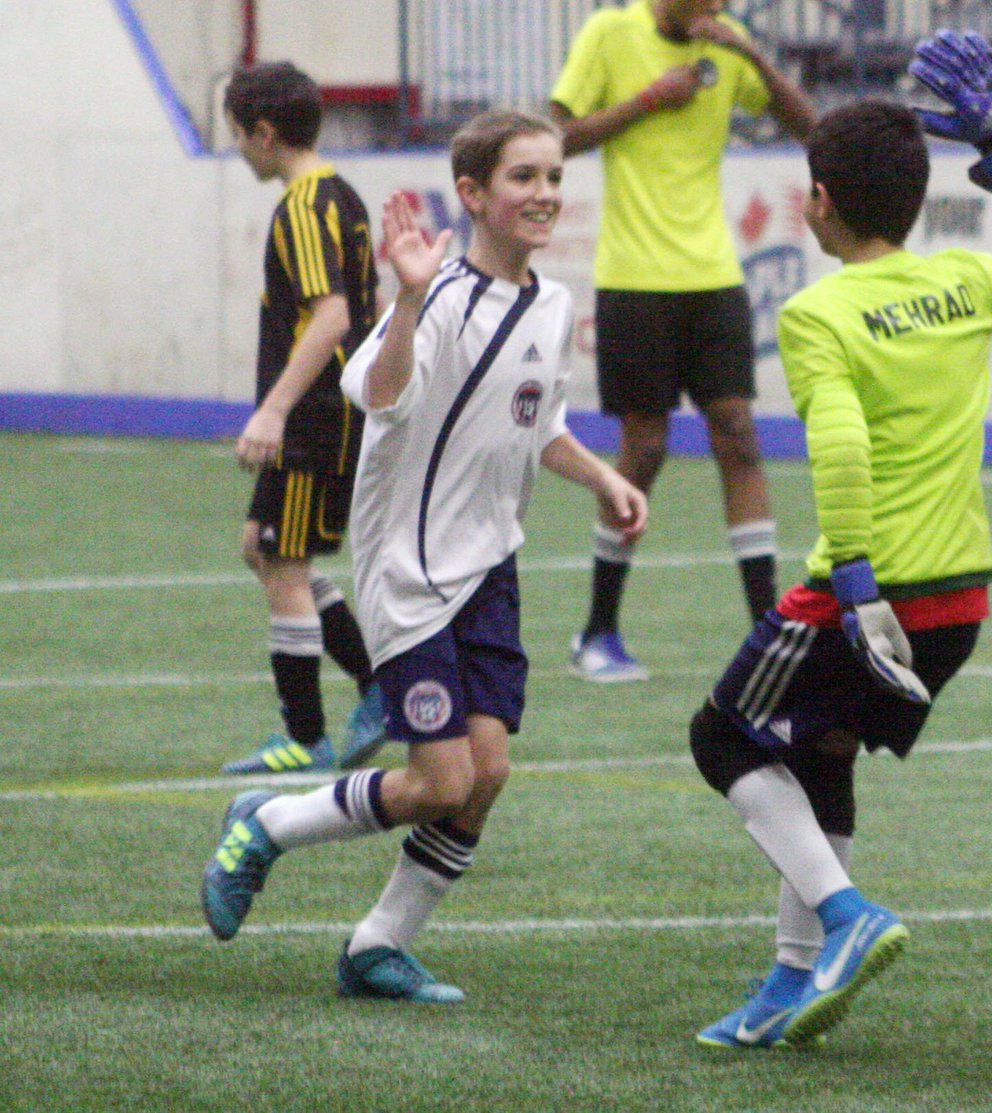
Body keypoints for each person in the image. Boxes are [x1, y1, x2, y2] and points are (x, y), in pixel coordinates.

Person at [687, 31, 992, 1049]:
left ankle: (846, 916)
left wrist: (856, 582)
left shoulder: (821, 312)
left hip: (871, 591)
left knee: (722, 736)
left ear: (820, 200)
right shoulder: (967, 281)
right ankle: (789, 984)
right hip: (960, 600)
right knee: (823, 751)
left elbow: (842, 443)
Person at [202, 110, 649, 1001]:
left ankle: (378, 945)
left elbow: (539, 421)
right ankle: (270, 824)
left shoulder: (553, 304)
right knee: (439, 777)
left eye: (554, 176)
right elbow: (375, 390)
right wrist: (406, 298)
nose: (546, 194)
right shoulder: (436, 295)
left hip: (491, 570)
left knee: (485, 776)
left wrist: (600, 477)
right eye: (523, 177)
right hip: (409, 574)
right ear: (474, 194)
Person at [549, 0, 820, 682]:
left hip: (714, 274)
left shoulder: (728, 43)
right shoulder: (610, 32)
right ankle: (598, 631)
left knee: (739, 433)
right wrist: (646, 100)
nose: (715, 7)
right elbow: (555, 139)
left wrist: (752, 55)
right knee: (644, 448)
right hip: (633, 277)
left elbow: (814, 130)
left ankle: (767, 632)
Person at [220, 62, 387, 775]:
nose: (239, 149)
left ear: (264, 132)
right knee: (263, 547)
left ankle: (306, 735)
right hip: (329, 410)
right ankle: (380, 684)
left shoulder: (306, 206)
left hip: (316, 413)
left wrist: (273, 409)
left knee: (285, 561)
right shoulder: (337, 193)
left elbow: (333, 316)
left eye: (239, 136)